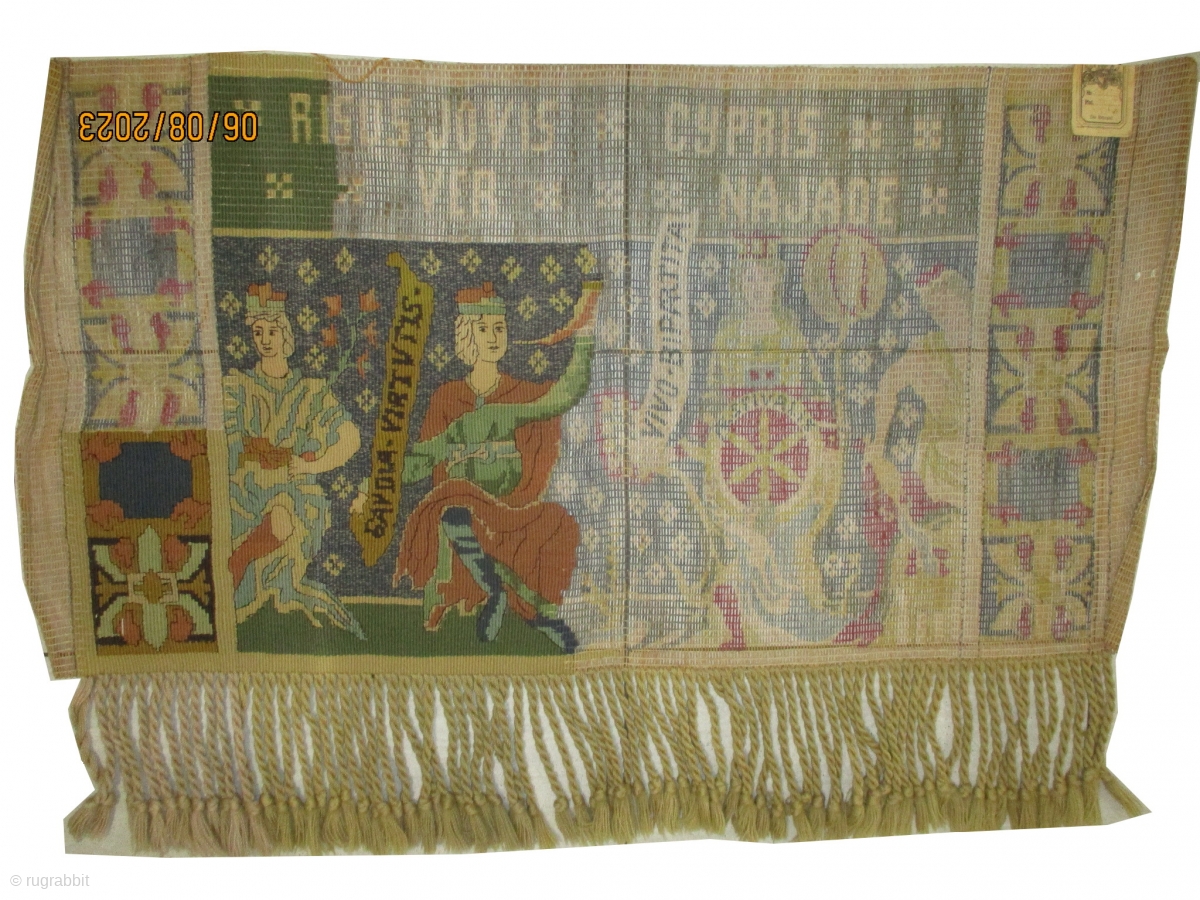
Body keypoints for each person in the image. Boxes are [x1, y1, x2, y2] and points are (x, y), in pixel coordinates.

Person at [365, 281, 596, 653]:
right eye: (483, 328)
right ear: (467, 336)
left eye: (499, 328)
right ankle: (493, 588)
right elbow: (422, 460)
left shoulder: (518, 397)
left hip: (510, 509)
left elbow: (564, 395)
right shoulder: (448, 397)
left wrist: (584, 334)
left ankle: (541, 616)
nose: (492, 337)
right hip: (460, 510)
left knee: (558, 523)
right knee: (454, 502)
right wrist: (375, 486)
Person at [225, 283, 365, 637]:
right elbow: (221, 438)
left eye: (272, 331)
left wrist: (311, 465)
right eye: (258, 332)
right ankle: (238, 581)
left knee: (282, 517)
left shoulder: (310, 393)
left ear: (286, 335)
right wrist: (245, 450)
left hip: (292, 488)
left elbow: (350, 438)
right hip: (244, 486)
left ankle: (239, 564)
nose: (265, 340)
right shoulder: (238, 386)